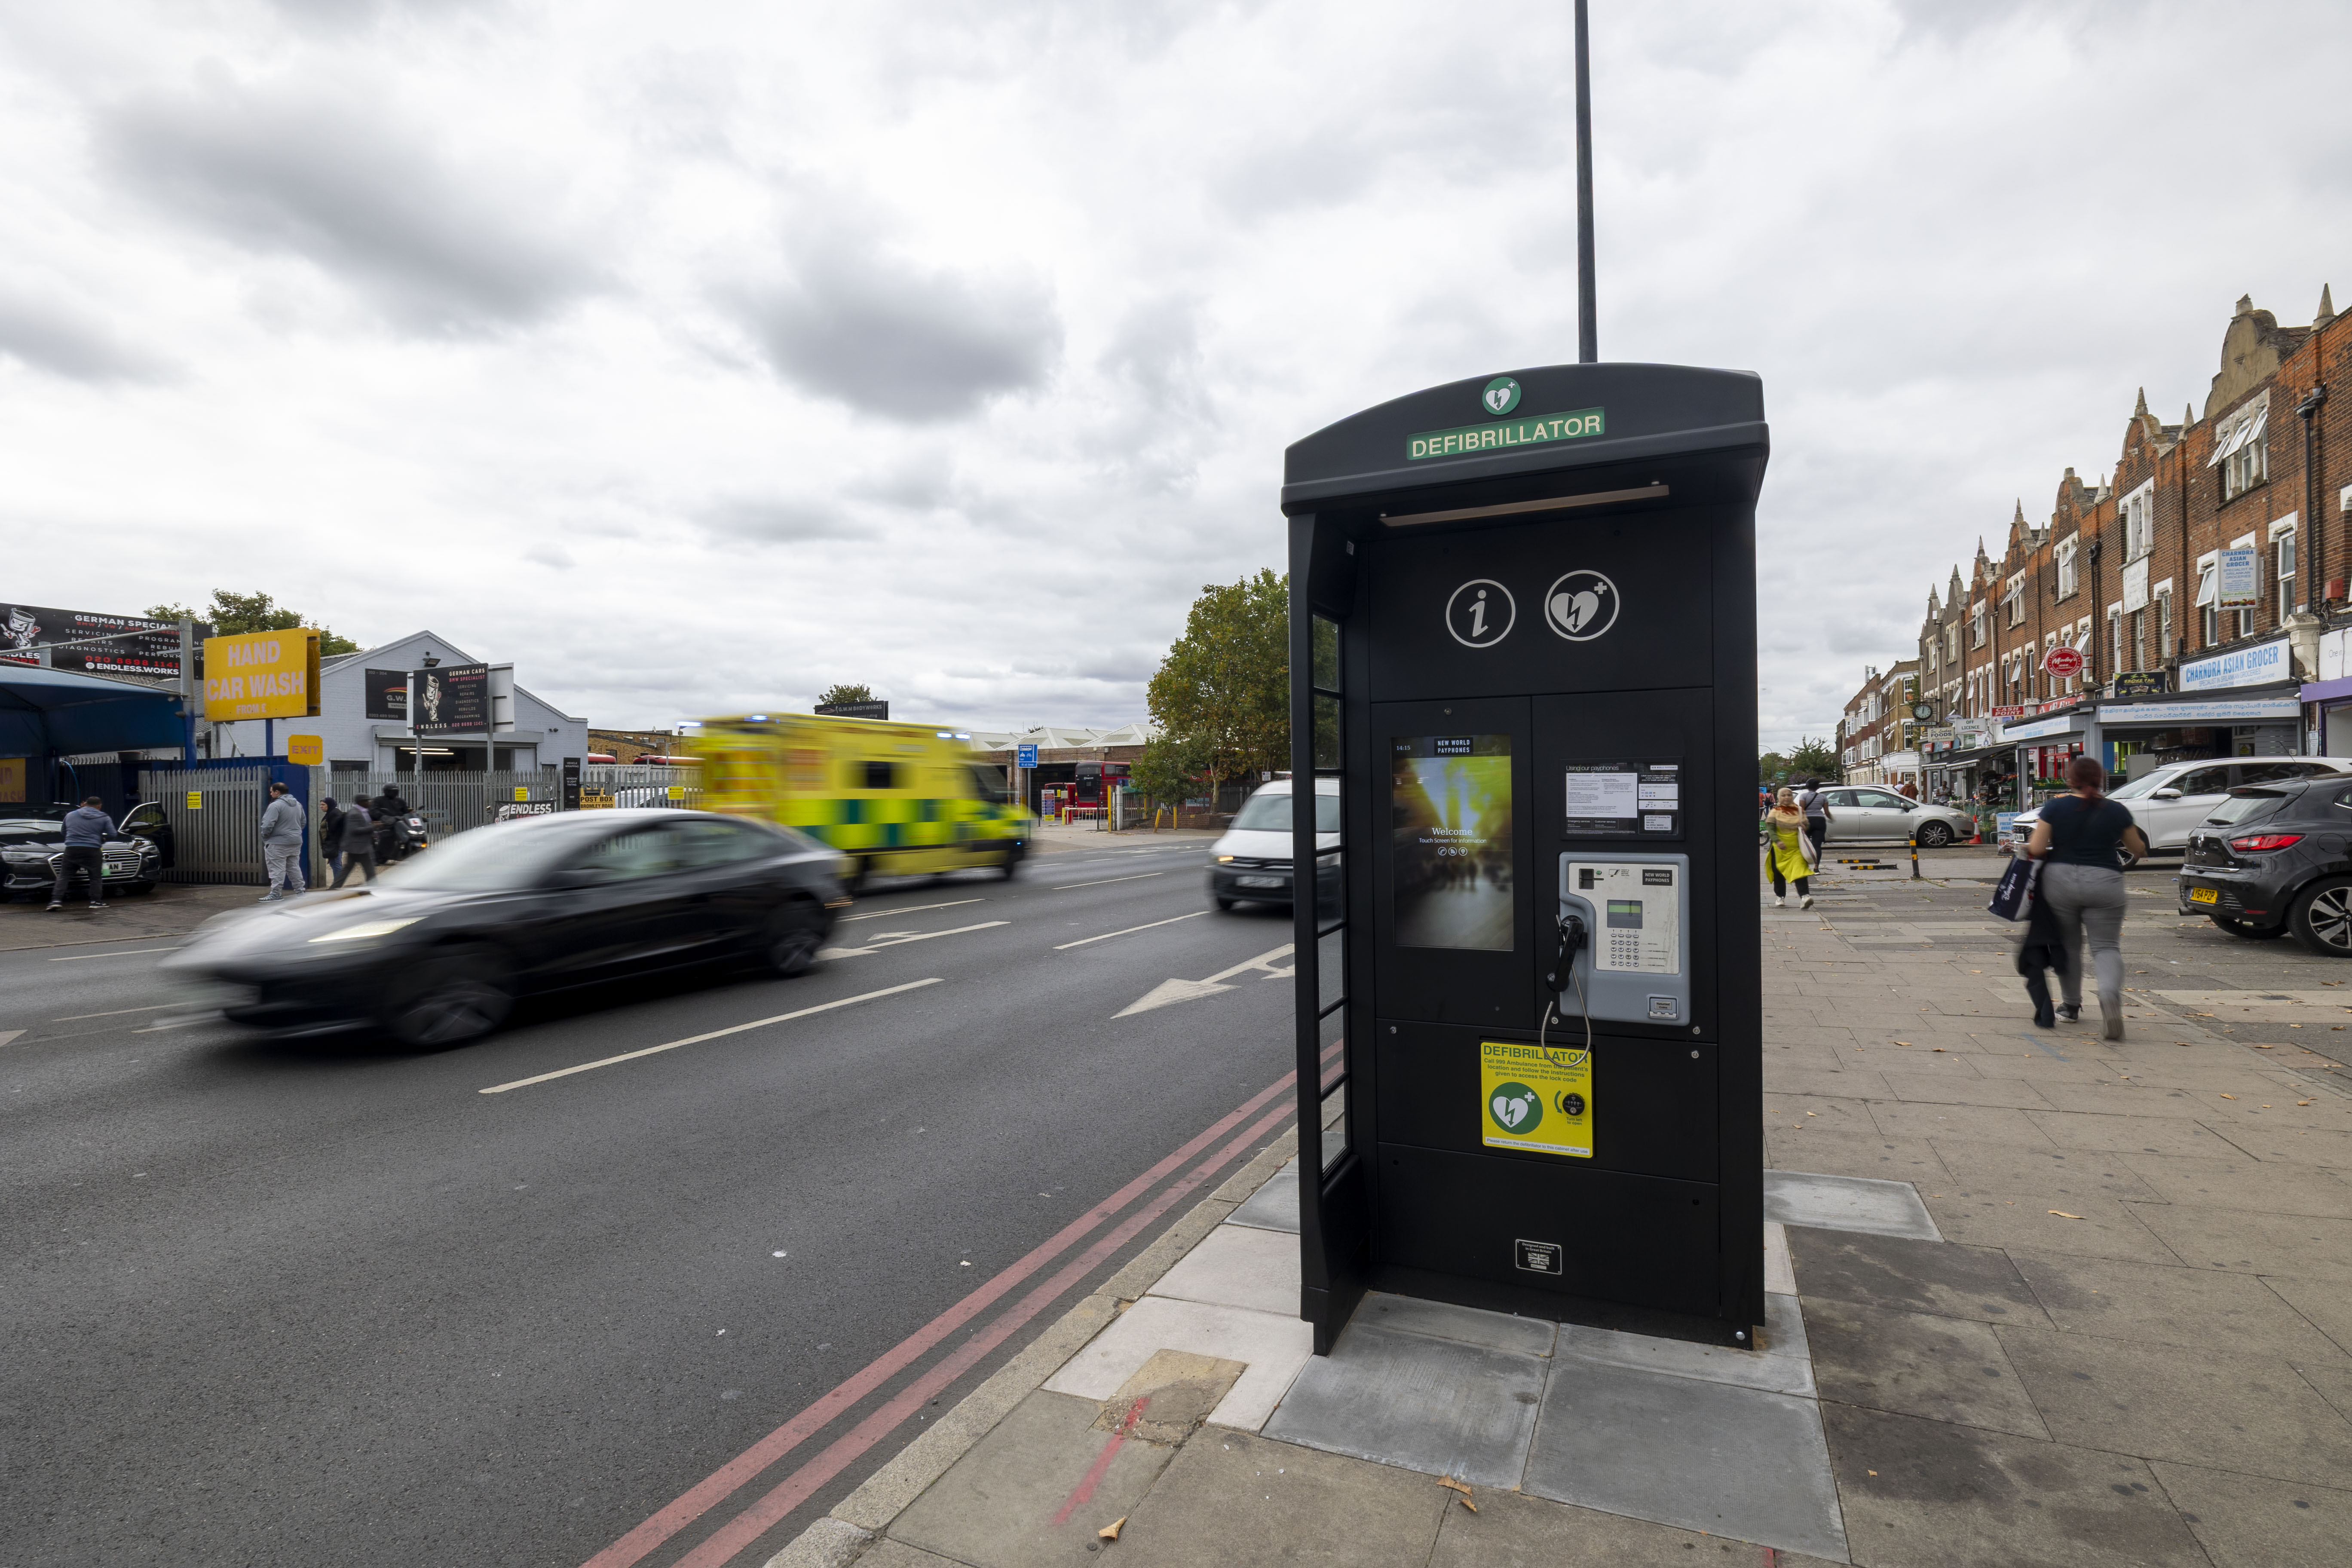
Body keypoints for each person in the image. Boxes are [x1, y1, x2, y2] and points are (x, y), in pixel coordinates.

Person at [2025, 755, 2149, 1040]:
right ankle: (2109, 996)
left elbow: (2039, 848)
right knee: (2106, 947)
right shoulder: (2117, 811)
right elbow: (2137, 848)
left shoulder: (2055, 807)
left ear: (2071, 779)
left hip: (2061, 883)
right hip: (2106, 882)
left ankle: (2070, 1006)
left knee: (2069, 946)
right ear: (2100, 780)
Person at [49, 795, 113, 911]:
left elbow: (63, 832)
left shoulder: (71, 815)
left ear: (86, 804)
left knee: (64, 876)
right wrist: (101, 837)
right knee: (95, 877)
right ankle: (96, 901)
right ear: (99, 806)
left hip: (72, 849)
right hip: (92, 850)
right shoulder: (104, 817)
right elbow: (113, 834)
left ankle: (56, 901)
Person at [1763, 787, 1818, 908]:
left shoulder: (1799, 811)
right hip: (1780, 848)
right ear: (1779, 798)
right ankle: (1780, 897)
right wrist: (1777, 841)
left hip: (1797, 848)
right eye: (1784, 795)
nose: (1787, 797)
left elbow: (1807, 825)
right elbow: (1771, 828)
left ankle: (1805, 897)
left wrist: (1805, 827)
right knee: (1779, 873)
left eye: (1789, 795)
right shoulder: (1775, 811)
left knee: (1800, 870)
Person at [258, 780, 305, 902]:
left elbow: (267, 825)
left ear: (277, 792)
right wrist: (295, 833)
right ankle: (301, 892)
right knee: (294, 867)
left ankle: (276, 894)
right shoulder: (298, 804)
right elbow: (303, 822)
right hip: (295, 841)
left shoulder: (275, 805)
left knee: (277, 869)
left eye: (271, 792)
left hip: (278, 843)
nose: (271, 794)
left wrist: (266, 838)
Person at [331, 794, 380, 886]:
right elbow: (354, 830)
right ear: (360, 802)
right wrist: (373, 827)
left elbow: (363, 825)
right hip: (359, 848)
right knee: (370, 871)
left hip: (358, 847)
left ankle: (334, 888)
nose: (369, 803)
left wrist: (372, 825)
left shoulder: (363, 812)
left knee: (347, 869)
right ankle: (374, 888)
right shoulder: (354, 813)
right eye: (367, 801)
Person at [1796, 778, 1831, 859]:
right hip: (1820, 821)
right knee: (1817, 845)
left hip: (1807, 821)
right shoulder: (1823, 797)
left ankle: (1805, 866)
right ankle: (1816, 867)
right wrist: (1832, 819)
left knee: (1805, 844)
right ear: (1818, 787)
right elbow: (1827, 812)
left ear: (1807, 786)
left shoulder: (1803, 796)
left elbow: (1802, 810)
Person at [320, 795, 346, 882]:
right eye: (321, 805)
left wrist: (331, 845)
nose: (321, 807)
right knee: (335, 864)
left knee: (336, 865)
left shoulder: (335, 814)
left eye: (323, 805)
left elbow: (336, 831)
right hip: (333, 844)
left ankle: (337, 885)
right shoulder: (331, 813)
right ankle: (338, 884)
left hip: (335, 845)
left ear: (329, 805)